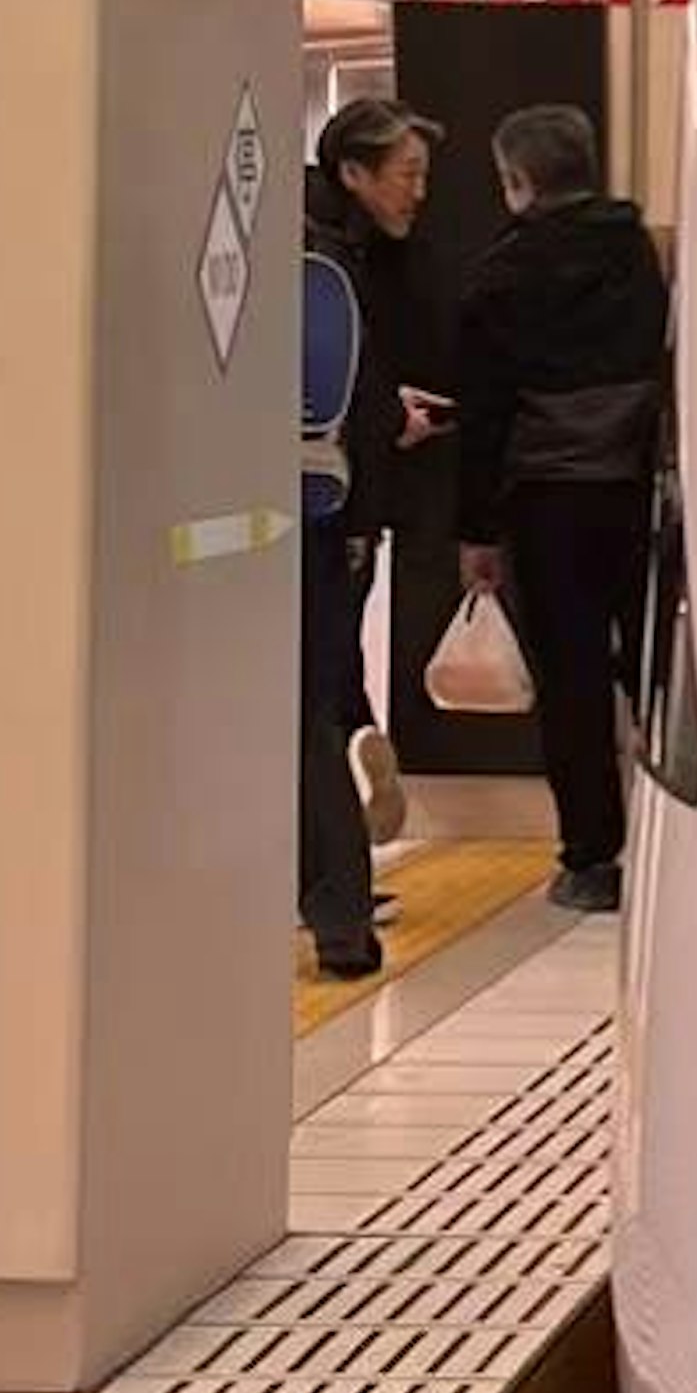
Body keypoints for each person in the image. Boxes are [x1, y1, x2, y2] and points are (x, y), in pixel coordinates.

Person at [456, 102, 671, 916]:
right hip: (638, 493)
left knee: (572, 686)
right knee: (654, 669)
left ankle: (593, 858)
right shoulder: (639, 257)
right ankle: (679, 828)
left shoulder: (500, 279)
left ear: (516, 182)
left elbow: (485, 416)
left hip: (546, 507)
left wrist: (475, 530)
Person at [296, 101, 444, 979]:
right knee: (311, 708)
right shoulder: (332, 263)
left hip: (324, 517)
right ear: (351, 172)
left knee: (306, 708)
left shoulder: (340, 259)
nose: (418, 192)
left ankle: (331, 899)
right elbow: (352, 397)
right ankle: (338, 907)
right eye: (406, 173)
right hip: (326, 520)